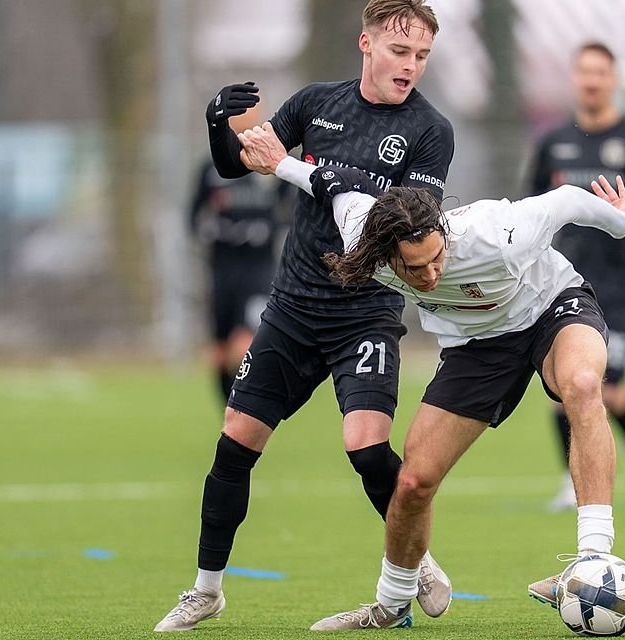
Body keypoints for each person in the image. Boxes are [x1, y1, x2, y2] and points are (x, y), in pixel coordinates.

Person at [235, 121, 625, 629]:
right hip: (475, 345)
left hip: (549, 306)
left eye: (436, 257)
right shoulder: (363, 233)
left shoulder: (498, 232)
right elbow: (331, 185)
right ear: (382, 254)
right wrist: (278, 163)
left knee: (580, 385)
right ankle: (391, 605)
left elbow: (568, 200)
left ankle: (592, 558)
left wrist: (621, 222)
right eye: (414, 269)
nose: (430, 275)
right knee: (414, 482)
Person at [153, 0, 455, 632]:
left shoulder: (431, 130)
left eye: (422, 56)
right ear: (366, 44)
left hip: (365, 310)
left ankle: (416, 559)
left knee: (366, 447)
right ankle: (207, 590)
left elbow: (401, 211)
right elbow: (239, 164)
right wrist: (219, 124)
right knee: (235, 444)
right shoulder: (316, 102)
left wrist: (304, 169)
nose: (411, 67)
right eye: (401, 52)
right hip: (292, 307)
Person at [524, 42, 625, 512]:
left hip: (616, 282)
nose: (591, 81)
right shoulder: (552, 143)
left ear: (613, 80)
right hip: (562, 281)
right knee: (563, 389)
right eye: (584, 72)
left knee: (609, 389)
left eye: (600, 73)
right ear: (574, 78)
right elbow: (530, 205)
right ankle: (573, 483)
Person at [187, 109, 289, 402]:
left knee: (245, 341)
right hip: (221, 267)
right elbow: (194, 216)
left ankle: (246, 404)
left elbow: (289, 211)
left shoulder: (269, 167)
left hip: (257, 268)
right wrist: (211, 231)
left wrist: (265, 230)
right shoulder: (211, 169)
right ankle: (228, 407)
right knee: (219, 348)